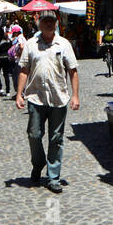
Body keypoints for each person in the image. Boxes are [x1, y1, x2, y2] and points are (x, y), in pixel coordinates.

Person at [15, 11, 80, 193]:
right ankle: (38, 163)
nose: (49, 24)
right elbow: (24, 70)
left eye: (52, 21)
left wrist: (75, 96)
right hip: (36, 97)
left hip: (58, 98)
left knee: (56, 138)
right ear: (39, 23)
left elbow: (73, 71)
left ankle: (53, 177)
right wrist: (19, 94)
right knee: (34, 134)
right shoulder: (30, 45)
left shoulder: (64, 44)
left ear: (56, 23)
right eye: (45, 21)